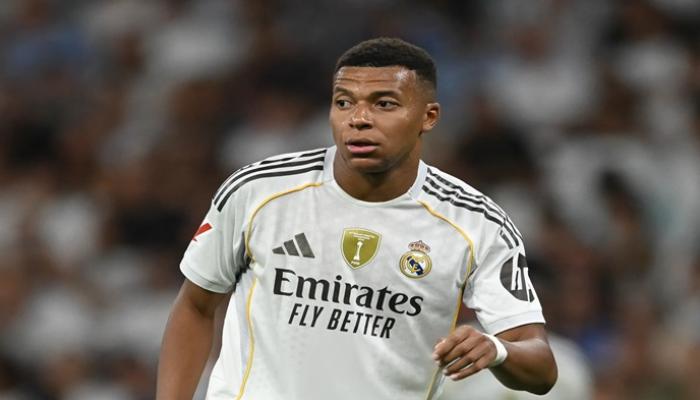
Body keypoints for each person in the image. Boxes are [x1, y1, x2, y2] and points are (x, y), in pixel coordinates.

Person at [156, 37, 557, 400]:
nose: (358, 118)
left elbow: (541, 366)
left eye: (384, 104)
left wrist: (498, 349)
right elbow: (195, 306)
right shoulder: (259, 191)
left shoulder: (477, 224)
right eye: (344, 102)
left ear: (429, 117)